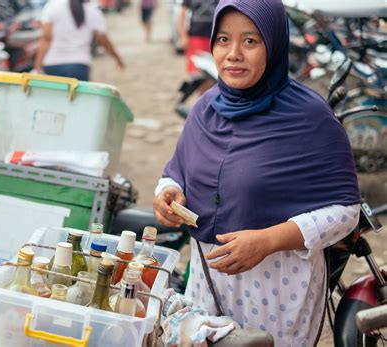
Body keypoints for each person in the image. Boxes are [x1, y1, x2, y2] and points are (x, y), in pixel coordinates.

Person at [153, 1, 361, 346]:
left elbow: (345, 212)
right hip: (209, 283)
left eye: (250, 41)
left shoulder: (310, 117)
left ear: (274, 44)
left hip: (277, 289)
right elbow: (175, 172)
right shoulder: (205, 108)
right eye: (223, 40)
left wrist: (268, 241)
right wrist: (168, 192)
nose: (233, 54)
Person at [34, 0, 124, 81]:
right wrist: (117, 58)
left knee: (54, 99)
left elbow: (46, 38)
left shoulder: (53, 6)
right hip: (79, 66)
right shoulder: (93, 11)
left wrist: (38, 65)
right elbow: (104, 41)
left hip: (51, 65)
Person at [177, 0, 218, 75]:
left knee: (215, 72)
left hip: (216, 38)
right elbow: (182, 14)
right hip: (196, 38)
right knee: (195, 72)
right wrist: (183, 36)